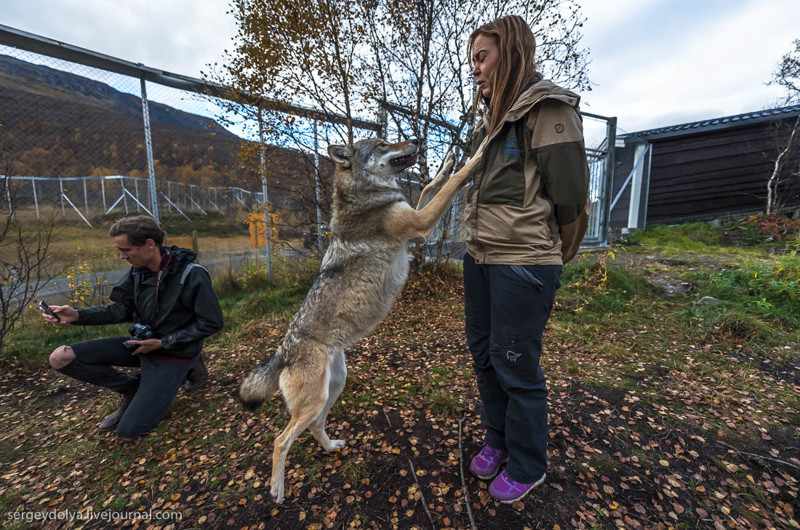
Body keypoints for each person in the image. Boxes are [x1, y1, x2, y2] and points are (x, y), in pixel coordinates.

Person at [463, 15, 590, 503]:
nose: (475, 68)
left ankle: (528, 462)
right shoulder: (493, 117)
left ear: (510, 52)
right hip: (481, 256)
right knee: (485, 354)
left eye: (482, 57)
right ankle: (498, 440)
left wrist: (549, 255)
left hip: (524, 261)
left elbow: (571, 197)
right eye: (472, 59)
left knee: (515, 361)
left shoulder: (548, 109)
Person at [42, 216, 223, 441]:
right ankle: (130, 388)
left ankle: (190, 364)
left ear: (149, 244)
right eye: (119, 250)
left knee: (128, 433)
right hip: (140, 345)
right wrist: (77, 315)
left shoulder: (191, 274)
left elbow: (212, 323)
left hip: (172, 354)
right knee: (60, 357)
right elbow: (122, 310)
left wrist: (163, 342)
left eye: (126, 250)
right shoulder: (138, 270)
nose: (122, 256)